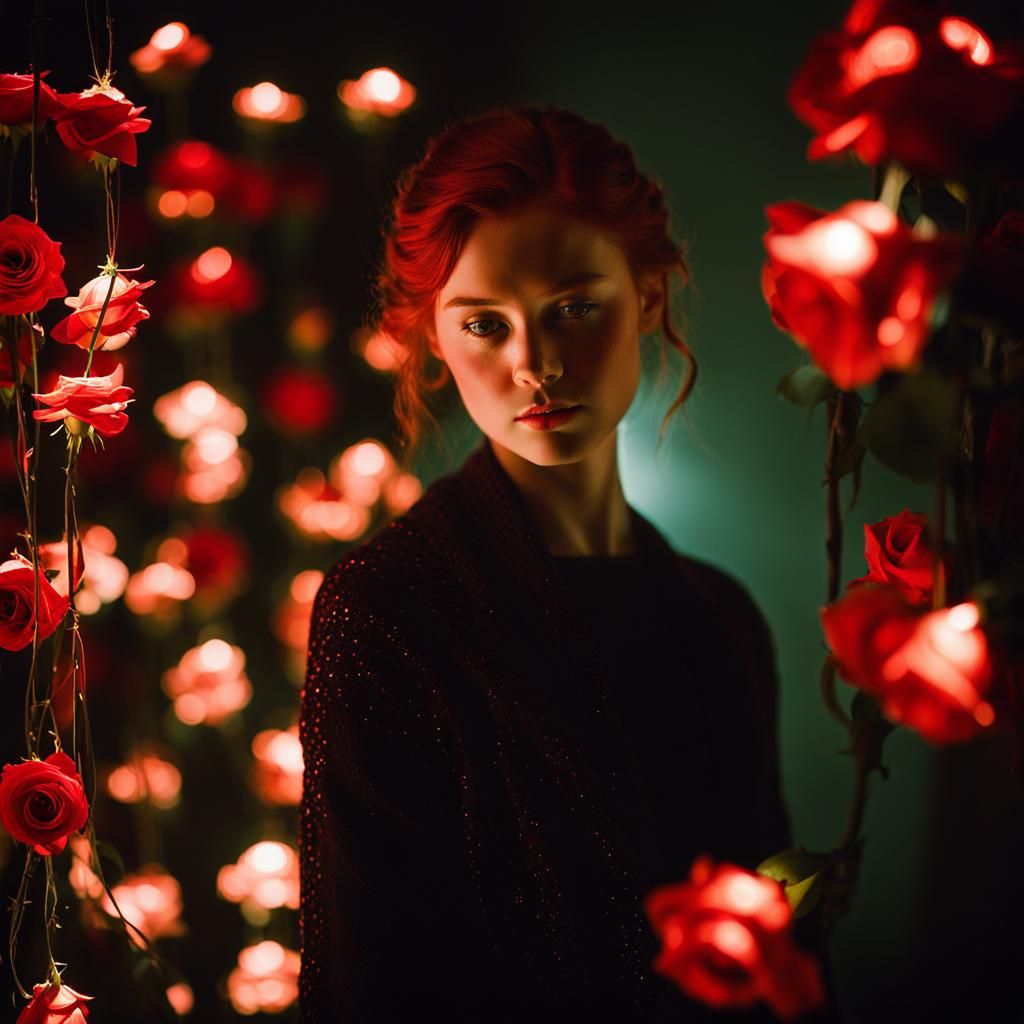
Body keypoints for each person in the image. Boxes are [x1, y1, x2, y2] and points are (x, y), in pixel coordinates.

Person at [299, 106, 792, 1023]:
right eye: (485, 324)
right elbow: (366, 985)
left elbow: (779, 958)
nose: (535, 364)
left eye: (573, 308)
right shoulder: (389, 609)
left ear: (648, 296)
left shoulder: (722, 619)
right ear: (434, 337)